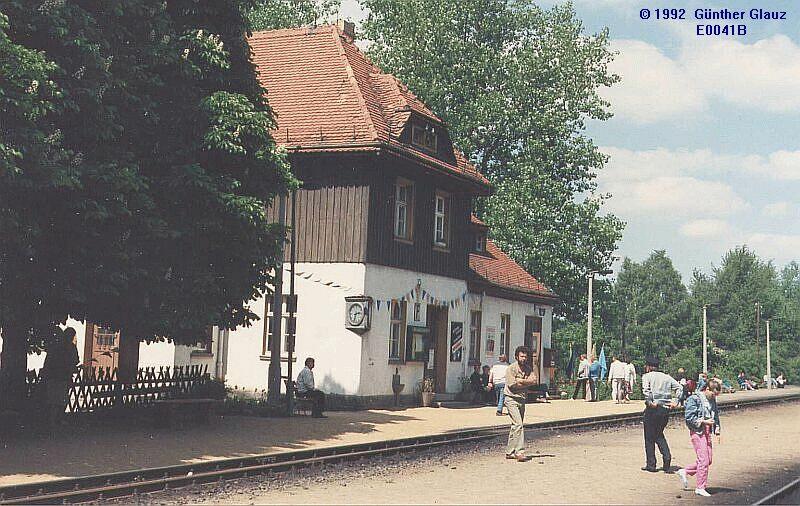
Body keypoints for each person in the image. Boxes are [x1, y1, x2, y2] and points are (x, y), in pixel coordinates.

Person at [677, 378, 722, 497]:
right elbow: (689, 417)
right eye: (713, 394)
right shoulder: (695, 399)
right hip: (697, 432)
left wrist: (717, 429)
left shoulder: (712, 400)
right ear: (707, 389)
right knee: (704, 460)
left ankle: (685, 471)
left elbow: (715, 414)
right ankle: (700, 487)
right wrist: (703, 422)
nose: (714, 397)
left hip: (707, 431)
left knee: (709, 460)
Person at [641, 355, 682, 473]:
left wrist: (650, 402)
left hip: (653, 409)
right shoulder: (667, 377)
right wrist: (675, 401)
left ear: (648, 367)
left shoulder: (646, 376)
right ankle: (667, 457)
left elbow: (646, 391)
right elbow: (679, 388)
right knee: (658, 434)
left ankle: (651, 465)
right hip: (665, 409)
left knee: (649, 437)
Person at [503, 345, 538, 461]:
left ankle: (509, 452)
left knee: (515, 426)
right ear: (516, 356)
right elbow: (512, 385)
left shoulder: (528, 369)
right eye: (521, 356)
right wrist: (526, 383)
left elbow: (534, 380)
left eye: (525, 357)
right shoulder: (511, 368)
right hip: (511, 398)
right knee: (519, 424)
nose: (523, 358)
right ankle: (520, 452)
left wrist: (522, 381)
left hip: (522, 399)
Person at [41, 327, 80, 427]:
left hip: (53, 376)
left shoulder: (56, 346)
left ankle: (52, 420)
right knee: (61, 400)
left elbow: (48, 361)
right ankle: (57, 420)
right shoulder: (71, 347)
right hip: (63, 376)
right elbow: (75, 360)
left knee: (54, 400)